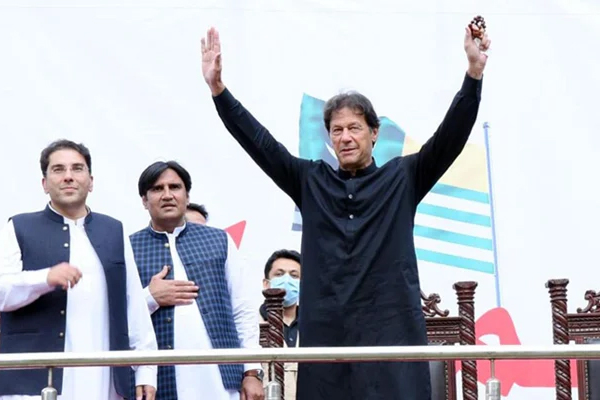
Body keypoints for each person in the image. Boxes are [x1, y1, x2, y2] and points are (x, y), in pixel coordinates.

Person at [200, 23, 491, 400]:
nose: (345, 137)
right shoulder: (310, 181)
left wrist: (473, 74)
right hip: (327, 339)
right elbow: (261, 145)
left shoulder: (403, 177)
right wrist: (219, 91)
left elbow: (451, 136)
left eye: (355, 127)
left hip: (392, 334)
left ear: (375, 132)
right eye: (336, 130)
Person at [0, 139, 158, 400]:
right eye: (58, 169)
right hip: (33, 385)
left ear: (91, 180)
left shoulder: (113, 231)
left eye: (77, 168)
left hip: (103, 382)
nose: (68, 177)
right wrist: (44, 278)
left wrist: (145, 371)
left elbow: (133, 307)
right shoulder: (19, 227)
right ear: (44, 183)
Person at [129, 160, 264, 400]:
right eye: (158, 189)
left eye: (175, 187)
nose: (167, 195)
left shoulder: (219, 240)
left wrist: (251, 371)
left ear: (187, 195)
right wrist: (150, 298)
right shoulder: (128, 248)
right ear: (144, 200)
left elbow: (243, 309)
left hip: (221, 382)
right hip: (158, 384)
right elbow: (119, 319)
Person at [259, 249, 301, 400]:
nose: (287, 280)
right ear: (266, 283)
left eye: (294, 275)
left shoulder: (314, 327)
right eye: (279, 274)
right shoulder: (250, 325)